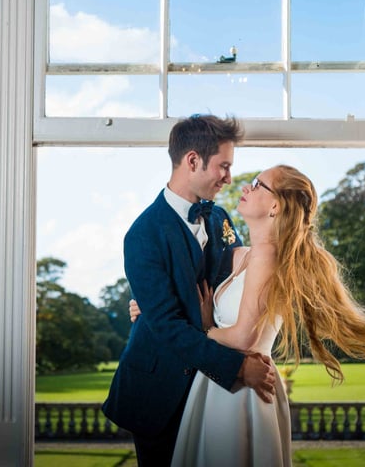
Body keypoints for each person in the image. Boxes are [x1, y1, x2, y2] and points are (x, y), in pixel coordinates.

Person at [133, 164, 365, 466]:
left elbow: (243, 336)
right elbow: (184, 286)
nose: (244, 187)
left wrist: (202, 328)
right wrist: (151, 305)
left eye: (257, 185)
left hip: (240, 393)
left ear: (275, 206)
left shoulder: (269, 257)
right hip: (221, 383)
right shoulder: (244, 255)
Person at [101, 115, 277, 466]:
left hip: (211, 396)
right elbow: (167, 327)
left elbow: (238, 286)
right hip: (158, 392)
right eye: (224, 166)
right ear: (193, 160)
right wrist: (238, 368)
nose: (229, 177)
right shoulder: (142, 235)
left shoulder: (220, 218)